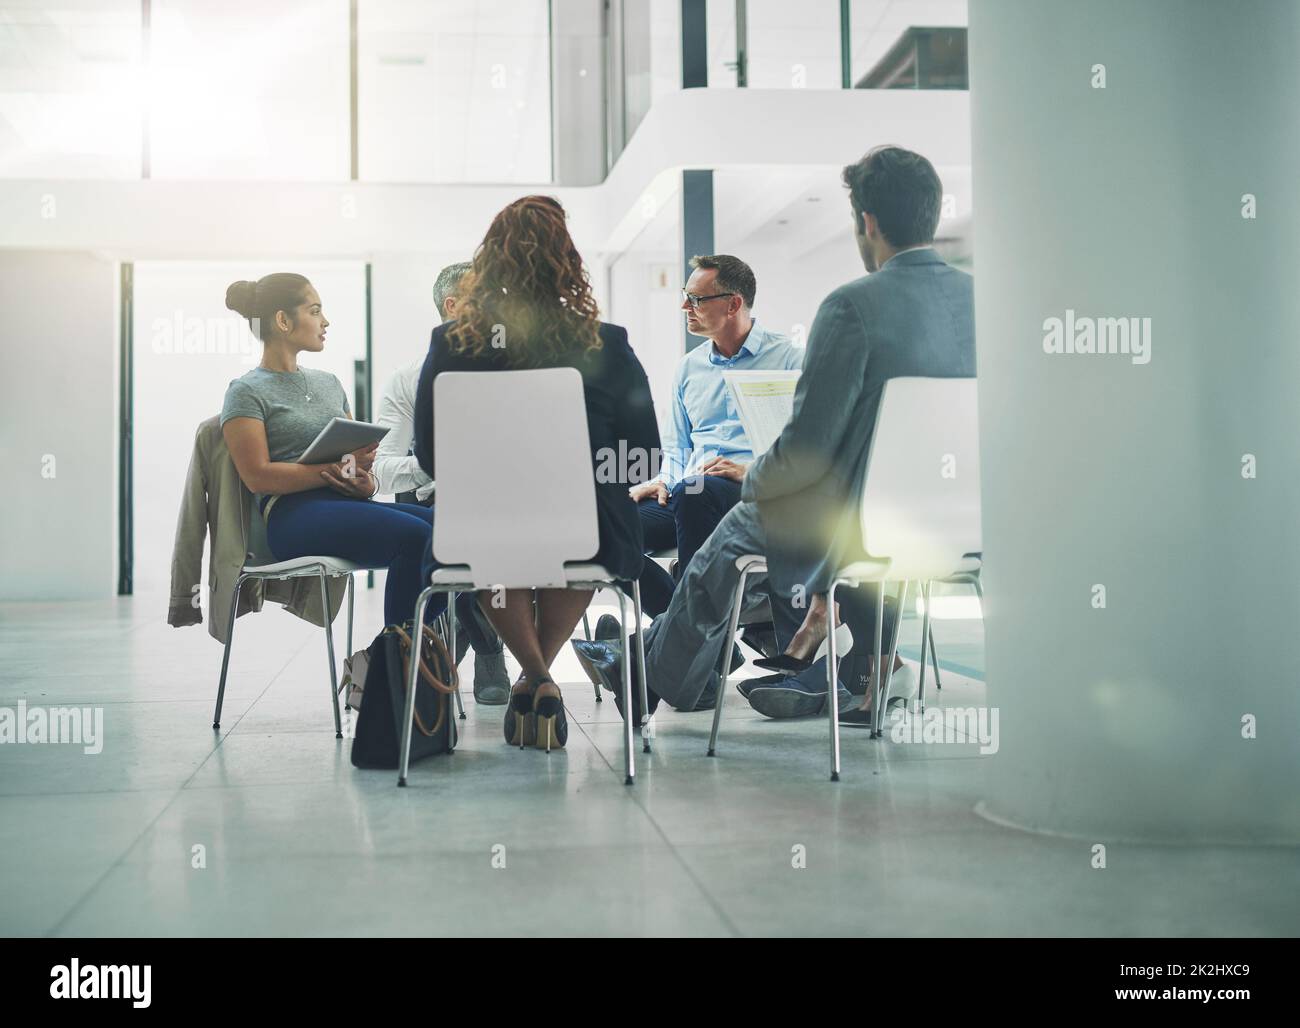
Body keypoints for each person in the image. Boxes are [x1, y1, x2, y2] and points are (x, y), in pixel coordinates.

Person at [574, 145, 976, 726]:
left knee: (735, 525)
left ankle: (652, 674)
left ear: (866, 222)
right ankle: (674, 663)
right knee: (700, 503)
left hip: (858, 519)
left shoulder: (851, 308)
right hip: (961, 522)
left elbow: (805, 452)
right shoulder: (983, 303)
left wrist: (755, 477)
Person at [414, 196, 660, 751]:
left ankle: (536, 676)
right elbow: (643, 459)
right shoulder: (606, 342)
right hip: (587, 533)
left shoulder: (452, 343)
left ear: (490, 263)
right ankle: (538, 678)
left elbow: (431, 458)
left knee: (500, 550)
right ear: (567, 261)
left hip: (480, 537)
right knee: (579, 547)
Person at [220, 273, 439, 630]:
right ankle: (399, 660)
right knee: (418, 537)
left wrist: (363, 482)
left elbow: (360, 470)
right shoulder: (246, 391)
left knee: (455, 537)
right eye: (315, 310)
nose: (326, 322)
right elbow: (258, 476)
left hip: (348, 503)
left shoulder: (329, 383)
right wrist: (330, 469)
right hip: (291, 516)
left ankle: (405, 655)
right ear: (282, 320)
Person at [629, 254, 802, 619]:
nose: (684, 306)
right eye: (685, 296)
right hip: (692, 489)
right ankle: (694, 634)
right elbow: (677, 447)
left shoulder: (790, 359)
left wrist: (750, 468)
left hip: (754, 491)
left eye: (695, 299)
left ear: (733, 304)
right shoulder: (688, 368)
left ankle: (690, 647)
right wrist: (663, 480)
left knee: (698, 494)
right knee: (612, 528)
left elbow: (804, 445)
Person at [371, 260, 511, 705]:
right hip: (443, 506)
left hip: (512, 502)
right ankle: (488, 643)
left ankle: (460, 628)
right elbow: (382, 469)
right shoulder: (408, 381)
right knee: (454, 526)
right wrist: (435, 467)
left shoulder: (517, 368)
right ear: (453, 306)